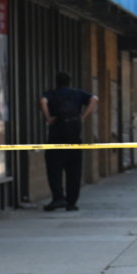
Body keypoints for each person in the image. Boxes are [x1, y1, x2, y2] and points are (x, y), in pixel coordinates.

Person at [38, 71, 96, 211]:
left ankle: (58, 198)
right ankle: (72, 202)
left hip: (56, 139)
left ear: (56, 82)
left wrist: (48, 118)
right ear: (69, 82)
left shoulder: (52, 94)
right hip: (74, 139)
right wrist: (83, 116)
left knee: (54, 170)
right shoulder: (77, 93)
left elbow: (42, 101)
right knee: (74, 171)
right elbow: (95, 99)